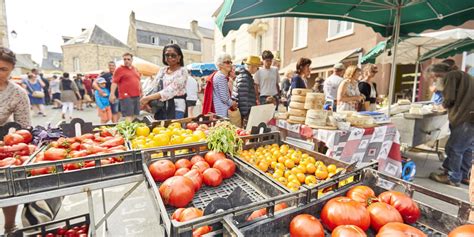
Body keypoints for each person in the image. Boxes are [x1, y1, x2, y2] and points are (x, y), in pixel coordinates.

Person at [427, 63, 474, 187]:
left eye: (434, 77)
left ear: (437, 74)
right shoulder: (465, 75)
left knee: (454, 148)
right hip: (470, 117)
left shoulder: (451, 76)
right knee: (467, 148)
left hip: (464, 117)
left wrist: (439, 107)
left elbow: (449, 98)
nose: (434, 80)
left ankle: (452, 177)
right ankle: (464, 175)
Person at [0, 47, 31, 235]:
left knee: (9, 181)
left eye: (3, 69)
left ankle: (9, 226)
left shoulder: (17, 93)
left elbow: (24, 128)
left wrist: (11, 144)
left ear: (12, 69)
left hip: (2, 142)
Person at [140, 44, 188, 120]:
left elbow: (170, 90)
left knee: (175, 129)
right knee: (159, 129)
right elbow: (153, 86)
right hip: (160, 106)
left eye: (173, 55)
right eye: (167, 55)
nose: (169, 57)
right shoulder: (162, 70)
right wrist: (145, 98)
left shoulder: (182, 71)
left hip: (176, 107)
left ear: (179, 57)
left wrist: (148, 98)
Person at [110, 53, 142, 121]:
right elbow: (114, 82)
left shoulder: (135, 69)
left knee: (135, 114)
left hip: (136, 95)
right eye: (124, 59)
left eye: (128, 59)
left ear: (132, 60)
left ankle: (130, 129)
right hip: (126, 96)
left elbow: (138, 81)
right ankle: (128, 131)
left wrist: (141, 92)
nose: (126, 61)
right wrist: (112, 94)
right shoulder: (119, 69)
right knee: (129, 115)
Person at [233, 55, 260, 123]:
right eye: (257, 67)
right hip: (245, 114)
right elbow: (243, 99)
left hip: (244, 112)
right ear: (252, 67)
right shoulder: (245, 78)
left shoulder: (245, 76)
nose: (257, 69)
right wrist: (246, 115)